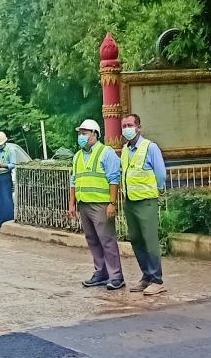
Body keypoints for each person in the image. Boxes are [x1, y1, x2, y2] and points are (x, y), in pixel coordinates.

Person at [68, 119, 124, 291]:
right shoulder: (77, 156)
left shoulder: (106, 152)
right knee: (92, 240)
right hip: (84, 204)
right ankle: (101, 273)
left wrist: (112, 203)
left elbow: (114, 179)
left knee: (107, 240)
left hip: (101, 204)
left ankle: (116, 276)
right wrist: (72, 203)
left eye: (84, 133)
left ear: (94, 134)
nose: (81, 136)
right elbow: (74, 180)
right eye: (80, 133)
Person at [120, 113, 168, 295]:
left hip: (146, 201)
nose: (127, 129)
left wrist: (159, 190)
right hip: (130, 201)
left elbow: (160, 173)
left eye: (130, 125)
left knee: (150, 240)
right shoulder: (125, 150)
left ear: (138, 128)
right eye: (124, 126)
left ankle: (157, 280)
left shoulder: (150, 147)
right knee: (136, 240)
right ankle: (147, 276)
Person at [0, 131, 18, 229]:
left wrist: (3, 166)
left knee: (7, 199)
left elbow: (13, 164)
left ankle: (9, 220)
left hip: (5, 175)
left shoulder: (10, 150)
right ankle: (0, 220)